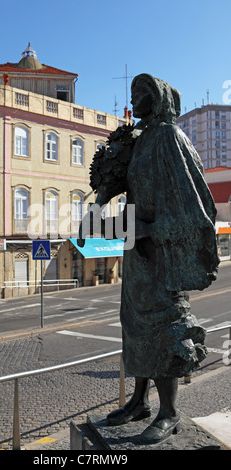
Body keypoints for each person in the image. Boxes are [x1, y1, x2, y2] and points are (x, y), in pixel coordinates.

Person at [81, 74, 220, 444]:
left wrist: (149, 229)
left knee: (166, 328)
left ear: (159, 98)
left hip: (162, 253)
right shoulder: (141, 142)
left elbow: (194, 207)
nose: (134, 98)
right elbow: (117, 183)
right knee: (134, 327)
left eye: (141, 92)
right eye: (132, 93)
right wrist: (99, 209)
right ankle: (139, 401)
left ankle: (170, 412)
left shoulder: (170, 138)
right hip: (137, 253)